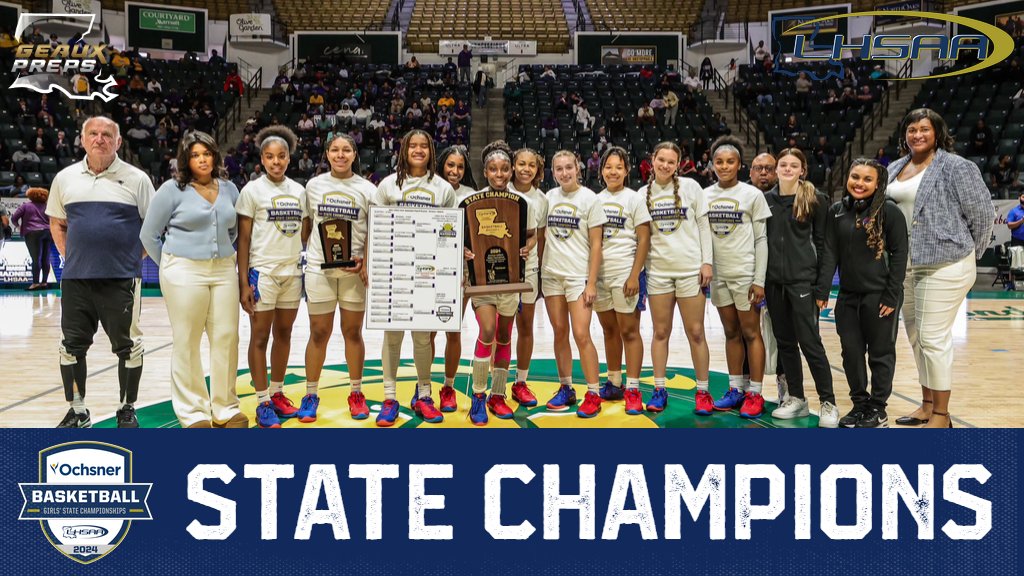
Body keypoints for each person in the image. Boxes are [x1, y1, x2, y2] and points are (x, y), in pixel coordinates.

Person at [887, 109, 994, 429]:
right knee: (918, 339)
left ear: (937, 133)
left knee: (933, 338)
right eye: (911, 129)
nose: (917, 135)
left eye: (924, 129)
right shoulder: (895, 168)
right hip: (906, 264)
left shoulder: (956, 166)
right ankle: (926, 405)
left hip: (946, 263)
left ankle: (942, 416)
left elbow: (983, 213)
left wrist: (969, 252)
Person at [48, 116, 153, 428]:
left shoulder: (137, 179)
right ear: (83, 140)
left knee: (129, 345)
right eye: (93, 133)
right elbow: (57, 222)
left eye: (107, 134)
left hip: (121, 280)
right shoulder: (65, 179)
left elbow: (153, 227)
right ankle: (78, 411)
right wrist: (73, 257)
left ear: (118, 142)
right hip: (76, 280)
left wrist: (132, 259)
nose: (99, 139)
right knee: (70, 346)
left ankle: (127, 408)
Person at [141, 131, 246, 429]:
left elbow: (232, 232)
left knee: (227, 336)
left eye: (207, 153)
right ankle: (193, 411)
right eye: (196, 154)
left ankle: (224, 408)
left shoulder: (229, 189)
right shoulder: (171, 190)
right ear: (186, 159)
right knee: (187, 340)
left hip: (224, 269)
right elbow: (148, 235)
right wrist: (170, 266)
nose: (202, 159)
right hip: (183, 270)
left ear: (215, 156)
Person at [372, 130, 456, 426]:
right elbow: (376, 230)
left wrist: (450, 274)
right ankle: (389, 397)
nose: (418, 150)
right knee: (392, 336)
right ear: (403, 150)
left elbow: (451, 235)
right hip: (394, 271)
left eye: (424, 146)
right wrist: (375, 267)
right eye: (413, 146)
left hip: (427, 272)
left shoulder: (443, 188)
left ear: (431, 151)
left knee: (422, 337)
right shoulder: (387, 186)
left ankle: (424, 395)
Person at [817, 158, 908, 428]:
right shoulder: (837, 211)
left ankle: (878, 408)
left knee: (880, 354)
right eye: (855, 176)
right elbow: (830, 252)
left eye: (867, 179)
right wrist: (822, 289)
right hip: (848, 297)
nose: (860, 183)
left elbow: (900, 254)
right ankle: (859, 404)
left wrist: (892, 295)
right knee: (851, 353)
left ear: (878, 183)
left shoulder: (890, 212)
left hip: (880, 297)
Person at [235, 127, 307, 428]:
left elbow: (304, 233)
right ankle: (262, 400)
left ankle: (277, 392)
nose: (276, 162)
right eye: (269, 157)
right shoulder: (252, 191)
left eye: (281, 156)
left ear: (289, 158)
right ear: (261, 160)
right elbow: (244, 239)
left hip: (292, 273)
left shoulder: (299, 191)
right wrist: (243, 283)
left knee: (285, 335)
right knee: (260, 337)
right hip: (262, 273)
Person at [464, 142, 538, 425]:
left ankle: (498, 394)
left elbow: (530, 235)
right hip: (482, 280)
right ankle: (479, 396)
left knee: (505, 336)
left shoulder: (523, 203)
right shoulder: (472, 201)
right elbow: (461, 236)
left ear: (510, 172)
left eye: (504, 169)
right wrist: (465, 250)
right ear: (485, 171)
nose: (499, 173)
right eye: (493, 169)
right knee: (488, 329)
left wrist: (527, 246)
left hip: (511, 280)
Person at [303, 133, 375, 421]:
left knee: (352, 332)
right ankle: (310, 394)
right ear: (328, 154)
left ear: (355, 155)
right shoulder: (313, 186)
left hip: (352, 273)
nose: (341, 155)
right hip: (319, 269)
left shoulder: (367, 189)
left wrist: (365, 260)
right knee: (318, 333)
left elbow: (373, 230)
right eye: (335, 150)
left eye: (346, 150)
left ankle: (356, 393)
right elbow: (307, 226)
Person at [763, 149, 838, 427]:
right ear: (776, 168)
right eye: (783, 164)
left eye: (794, 165)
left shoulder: (815, 199)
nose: (788, 168)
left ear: (802, 170)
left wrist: (822, 287)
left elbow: (824, 246)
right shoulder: (766, 200)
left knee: (810, 343)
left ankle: (828, 401)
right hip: (773, 283)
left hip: (803, 282)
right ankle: (797, 399)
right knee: (785, 344)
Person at [638, 142, 713, 414]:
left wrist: (707, 262)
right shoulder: (641, 194)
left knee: (696, 332)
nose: (666, 165)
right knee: (660, 332)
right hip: (658, 272)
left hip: (690, 271)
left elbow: (704, 226)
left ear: (678, 164)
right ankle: (659, 389)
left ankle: (703, 392)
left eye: (671, 161)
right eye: (661, 160)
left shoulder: (692, 187)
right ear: (653, 160)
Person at [704, 136, 772, 418]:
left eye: (730, 161)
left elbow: (761, 239)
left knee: (751, 333)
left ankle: (755, 392)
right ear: (712, 164)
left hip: (745, 274)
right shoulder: (704, 195)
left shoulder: (751, 195)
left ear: (739, 164)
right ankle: (736, 389)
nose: (724, 166)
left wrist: (759, 279)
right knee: (731, 333)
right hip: (719, 275)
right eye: (719, 161)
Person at [542, 150, 607, 417]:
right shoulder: (548, 198)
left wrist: (591, 283)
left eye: (569, 167)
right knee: (559, 332)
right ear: (553, 171)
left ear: (578, 168)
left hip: (577, 277)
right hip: (551, 274)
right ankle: (566, 387)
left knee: (581, 334)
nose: (564, 173)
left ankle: (593, 392)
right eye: (559, 169)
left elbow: (596, 245)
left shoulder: (590, 199)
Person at [594, 147, 651, 412]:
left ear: (626, 170)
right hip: (601, 274)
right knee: (609, 330)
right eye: (608, 166)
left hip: (625, 273)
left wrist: (635, 274)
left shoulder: (634, 199)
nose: (613, 171)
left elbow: (644, 238)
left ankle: (634, 389)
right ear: (601, 170)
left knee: (629, 331)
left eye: (618, 166)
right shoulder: (595, 200)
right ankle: (614, 382)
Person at [434, 145, 478, 413]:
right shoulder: (431, 189)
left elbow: (475, 234)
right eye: (450, 165)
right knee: (426, 333)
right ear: (441, 165)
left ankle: (448, 386)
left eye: (460, 167)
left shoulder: (470, 196)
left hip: (460, 271)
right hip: (431, 268)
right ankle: (423, 385)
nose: (455, 171)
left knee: (453, 329)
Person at [510, 147, 546, 407]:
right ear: (513, 166)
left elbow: (540, 238)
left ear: (537, 169)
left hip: (529, 271)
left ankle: (521, 381)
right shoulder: (502, 191)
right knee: (500, 330)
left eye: (531, 165)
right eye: (521, 163)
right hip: (499, 273)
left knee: (525, 327)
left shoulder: (541, 200)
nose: (526, 169)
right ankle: (497, 383)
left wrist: (539, 266)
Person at [12, 187, 52, 290]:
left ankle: (35, 283)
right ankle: (44, 283)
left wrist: (18, 226)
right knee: (45, 258)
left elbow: (14, 218)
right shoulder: (48, 206)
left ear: (30, 196)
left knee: (36, 258)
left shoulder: (26, 206)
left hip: (32, 232)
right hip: (47, 232)